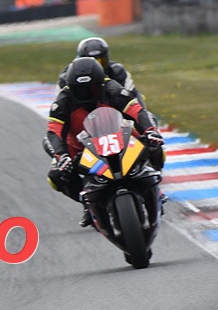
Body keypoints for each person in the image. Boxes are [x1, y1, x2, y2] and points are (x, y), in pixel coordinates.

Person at [43, 57, 164, 227]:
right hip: (79, 146)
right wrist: (61, 155)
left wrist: (150, 131)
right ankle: (87, 203)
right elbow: (53, 131)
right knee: (56, 176)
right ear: (71, 87)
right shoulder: (63, 100)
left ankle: (155, 186)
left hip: (117, 134)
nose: (86, 94)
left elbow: (137, 111)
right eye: (80, 90)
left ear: (100, 83)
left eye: (91, 88)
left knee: (153, 145)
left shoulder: (112, 89)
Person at [57, 37, 147, 109]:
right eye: (91, 63)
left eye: (101, 62)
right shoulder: (66, 77)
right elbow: (60, 105)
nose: (96, 68)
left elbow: (133, 96)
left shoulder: (117, 71)